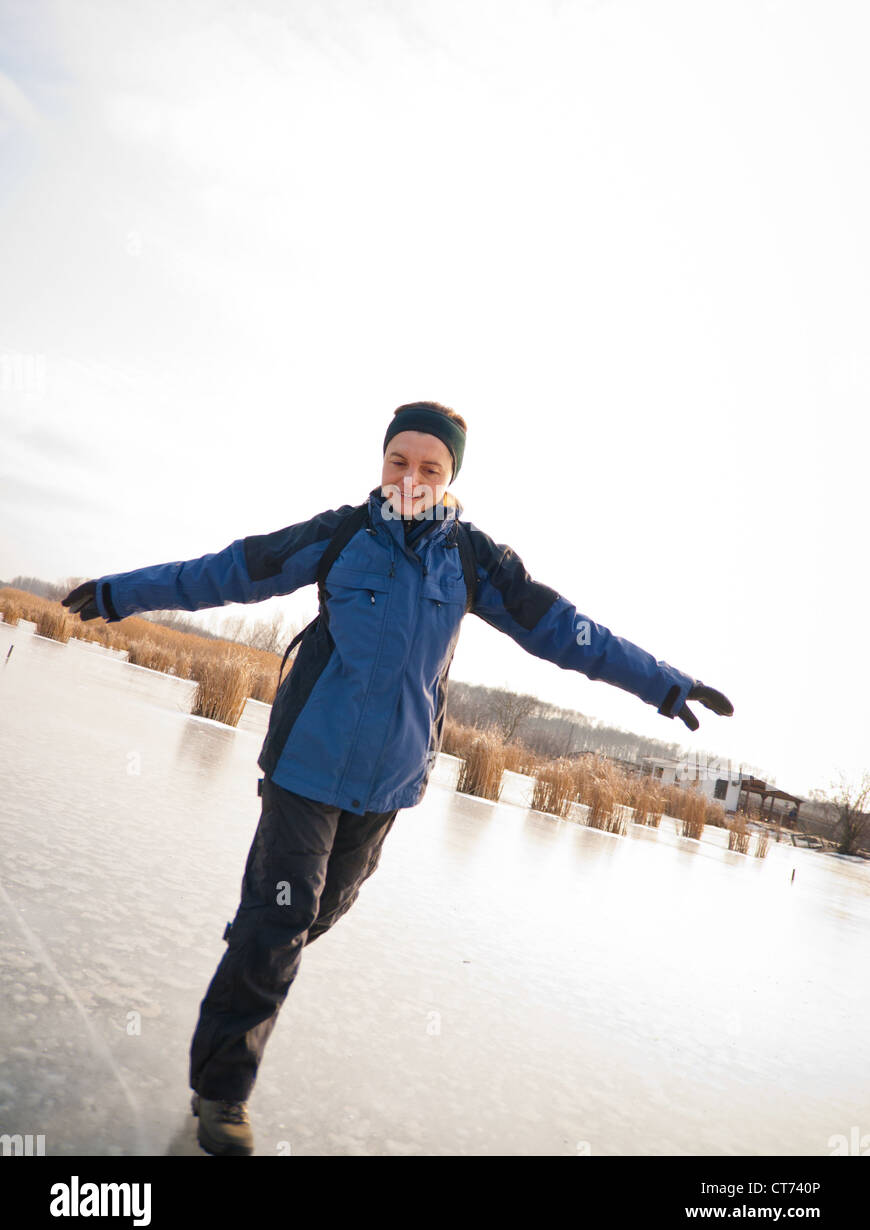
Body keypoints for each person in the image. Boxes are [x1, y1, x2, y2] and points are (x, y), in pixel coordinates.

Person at [62, 398, 733, 1155]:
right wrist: (122, 593)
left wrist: (665, 683)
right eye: (397, 461)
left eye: (430, 467)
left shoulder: (475, 562)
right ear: (381, 463)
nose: (411, 478)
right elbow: (226, 571)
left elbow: (569, 633)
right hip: (305, 768)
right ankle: (221, 1095)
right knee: (280, 926)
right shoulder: (339, 535)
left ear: (450, 478)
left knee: (312, 914)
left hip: (387, 784)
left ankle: (256, 941)